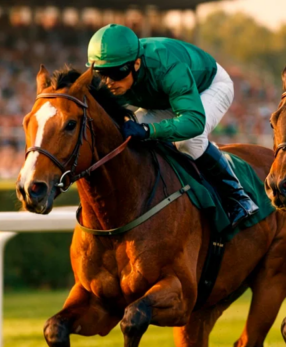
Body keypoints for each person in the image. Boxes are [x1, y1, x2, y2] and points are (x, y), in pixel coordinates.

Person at [86, 24, 257, 227]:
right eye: (101, 74)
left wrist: (149, 130)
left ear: (137, 63)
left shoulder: (167, 65)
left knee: (189, 141)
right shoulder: (116, 75)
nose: (108, 82)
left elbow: (193, 121)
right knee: (123, 134)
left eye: (116, 73)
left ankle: (238, 197)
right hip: (164, 98)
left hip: (208, 87)